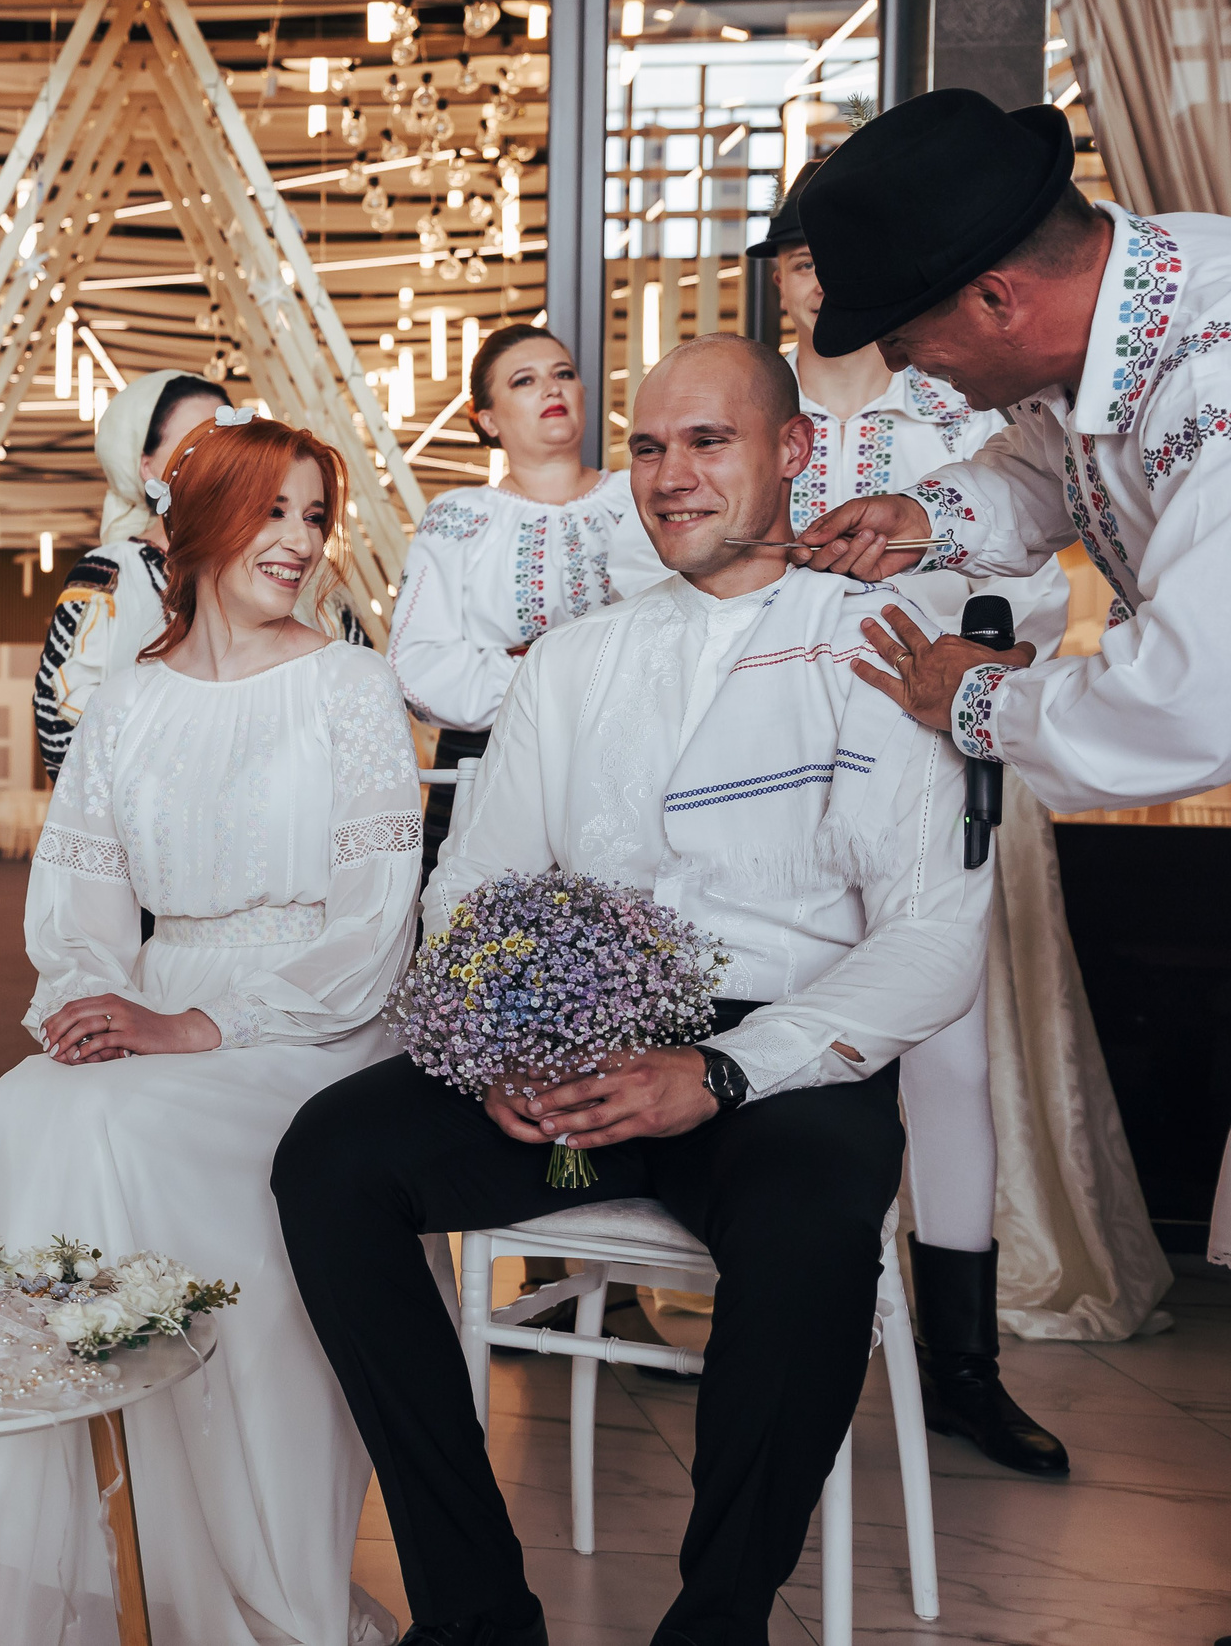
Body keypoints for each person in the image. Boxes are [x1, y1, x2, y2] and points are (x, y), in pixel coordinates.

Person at [276, 335, 989, 1646]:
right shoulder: (573, 661)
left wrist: (721, 1070)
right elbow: (476, 883)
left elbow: (937, 939)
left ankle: (717, 1621)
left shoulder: (884, 645)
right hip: (581, 1056)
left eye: (708, 442)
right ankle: (476, 1606)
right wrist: (500, 1042)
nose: (669, 475)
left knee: (808, 1225)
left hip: (783, 1063)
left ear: (794, 453)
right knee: (332, 1158)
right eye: (651, 445)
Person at [0, 410, 425, 1646]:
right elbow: (80, 900)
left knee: (120, 1136)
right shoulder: (125, 704)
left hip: (305, 1026)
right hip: (157, 999)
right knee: (28, 1104)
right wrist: (81, 1001)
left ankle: (224, 1565)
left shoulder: (349, 686)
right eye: (270, 510)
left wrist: (191, 1026)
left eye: (314, 516)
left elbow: (374, 927)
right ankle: (45, 1555)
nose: (297, 542)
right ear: (200, 522)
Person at [757, 164, 1076, 1475]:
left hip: (925, 757)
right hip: (765, 771)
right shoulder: (744, 407)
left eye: (841, 256)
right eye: (799, 257)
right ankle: (771, 1332)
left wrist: (960, 670)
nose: (819, 279)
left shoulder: (949, 405)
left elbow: (1035, 583)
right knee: (769, 1018)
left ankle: (962, 1367)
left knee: (945, 1056)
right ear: (779, 273)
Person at [790, 87, 1231, 815]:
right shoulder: (1108, 293)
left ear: (995, 300)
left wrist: (977, 699)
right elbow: (1058, 460)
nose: (897, 367)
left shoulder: (1213, 381)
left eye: (901, 337)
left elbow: (1193, 696)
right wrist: (922, 519)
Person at [385, 324, 669, 878]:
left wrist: (522, 662)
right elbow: (419, 664)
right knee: (476, 936)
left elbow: (670, 631)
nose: (552, 389)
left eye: (564, 374)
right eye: (525, 380)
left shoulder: (644, 494)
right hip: (487, 759)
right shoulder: (459, 515)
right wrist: (560, 685)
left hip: (628, 750)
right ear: (487, 419)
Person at [30, 369, 228, 778]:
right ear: (148, 467)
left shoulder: (272, 573)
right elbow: (56, 725)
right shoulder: (109, 574)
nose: (218, 459)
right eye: (194, 444)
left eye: (228, 442)